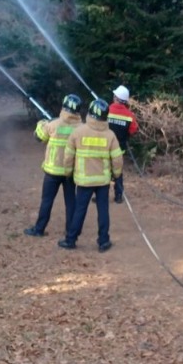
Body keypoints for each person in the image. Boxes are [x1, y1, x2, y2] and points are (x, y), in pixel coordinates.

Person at [58, 99, 124, 252]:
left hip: (83, 180)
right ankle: (103, 241)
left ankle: (71, 240)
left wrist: (68, 173)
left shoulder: (78, 132)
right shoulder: (110, 135)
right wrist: (116, 174)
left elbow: (68, 156)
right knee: (103, 211)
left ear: (90, 113)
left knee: (79, 210)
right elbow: (117, 158)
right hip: (102, 181)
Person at [24, 94, 83, 238]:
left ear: (64, 106)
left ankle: (39, 229)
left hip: (52, 172)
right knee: (71, 203)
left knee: (47, 200)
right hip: (70, 172)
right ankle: (70, 231)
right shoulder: (82, 128)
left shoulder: (53, 124)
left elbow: (38, 137)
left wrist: (42, 123)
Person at [107, 84, 139, 204]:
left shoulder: (107, 110)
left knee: (104, 171)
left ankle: (102, 195)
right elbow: (133, 130)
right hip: (120, 149)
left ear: (116, 97)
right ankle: (118, 196)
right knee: (118, 172)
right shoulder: (130, 115)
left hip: (105, 148)